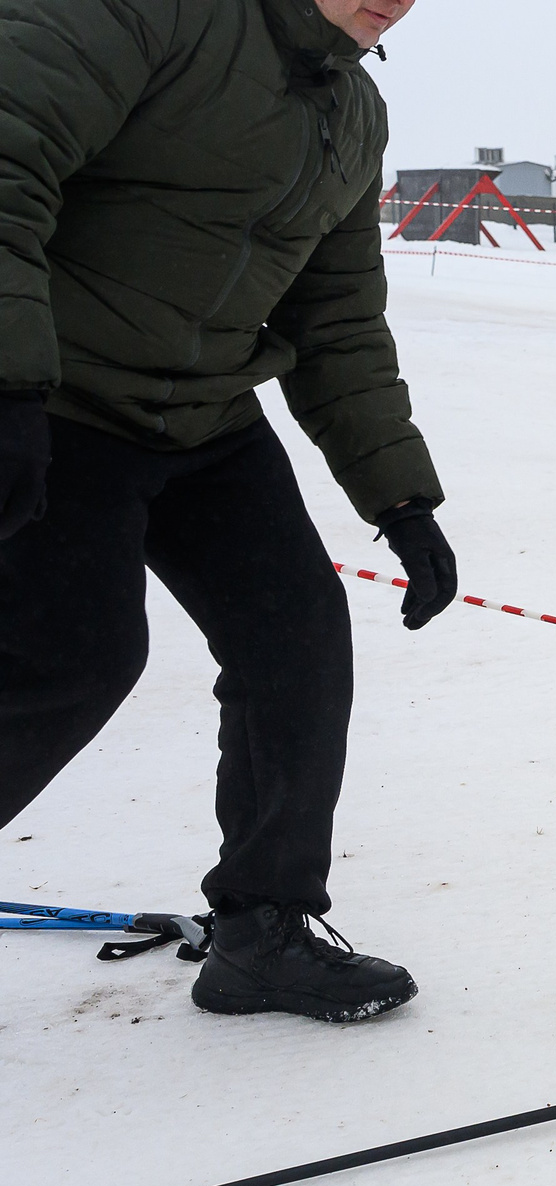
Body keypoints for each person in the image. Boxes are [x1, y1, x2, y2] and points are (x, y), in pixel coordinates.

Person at [0, 0, 454, 1024]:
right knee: (71, 655)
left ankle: (263, 932)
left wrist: (400, 496)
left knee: (296, 639)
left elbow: (335, 317)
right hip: (55, 395)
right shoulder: (153, 16)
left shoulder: (352, 111)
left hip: (202, 413)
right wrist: (9, 382)